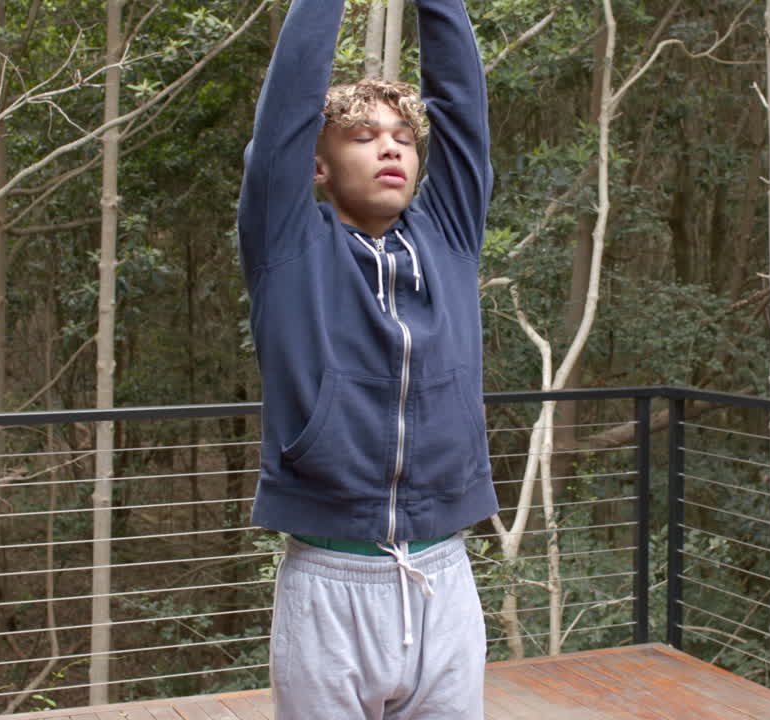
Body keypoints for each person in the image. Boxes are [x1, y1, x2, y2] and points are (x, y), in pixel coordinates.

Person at [236, 0, 496, 717]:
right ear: (317, 166)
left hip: (443, 578)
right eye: (362, 136)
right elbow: (286, 109)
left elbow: (464, 110)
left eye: (403, 138)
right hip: (328, 583)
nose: (390, 148)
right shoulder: (287, 245)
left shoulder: (447, 236)